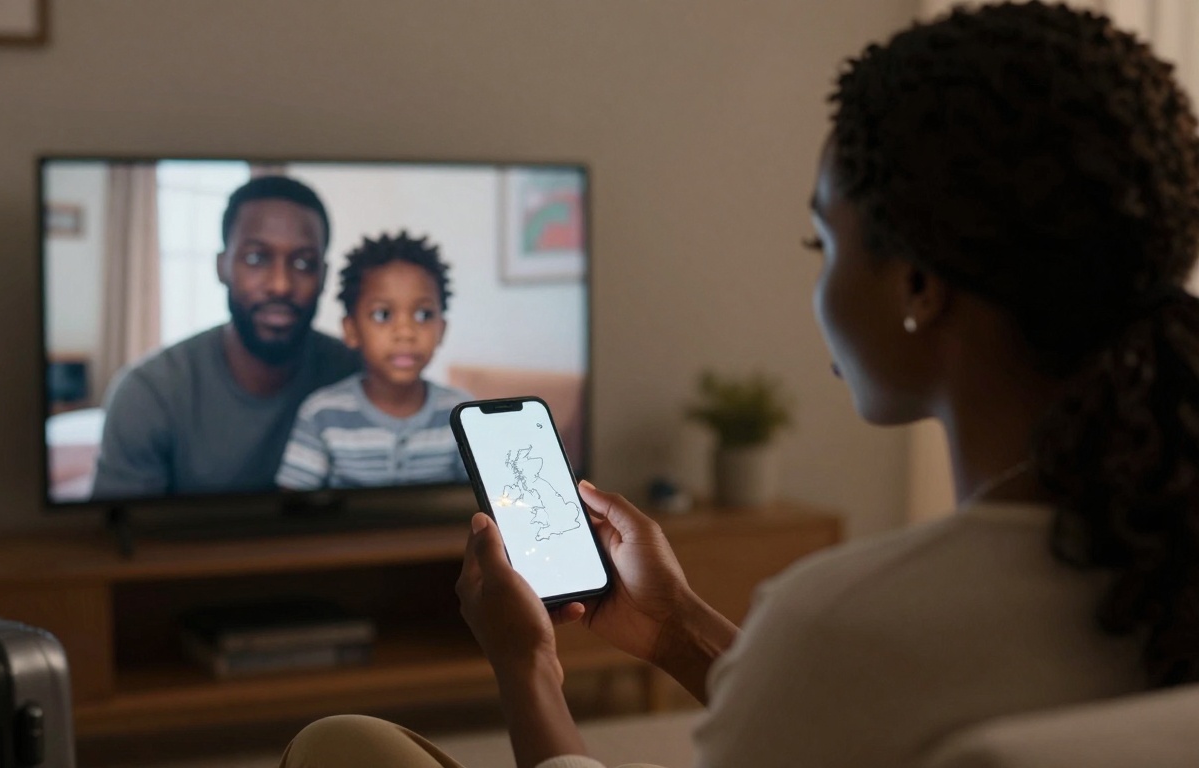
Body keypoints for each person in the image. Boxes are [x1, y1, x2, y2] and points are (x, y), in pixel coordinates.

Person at [279, 2, 1199, 767]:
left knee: (344, 746)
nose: (817, 280)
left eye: (823, 243)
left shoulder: (844, 625)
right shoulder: (1157, 567)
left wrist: (529, 670)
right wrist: (677, 626)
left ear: (919, 286)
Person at [92, 176, 361, 499]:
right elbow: (119, 536)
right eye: (256, 258)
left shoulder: (359, 376)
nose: (280, 285)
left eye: (304, 263)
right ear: (222, 266)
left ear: (324, 278)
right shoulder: (149, 394)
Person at [275, 231, 470, 490]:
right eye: (383, 314)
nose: (405, 332)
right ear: (352, 330)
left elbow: (480, 508)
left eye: (423, 314)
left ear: (442, 329)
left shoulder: (461, 413)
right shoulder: (322, 414)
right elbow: (292, 510)